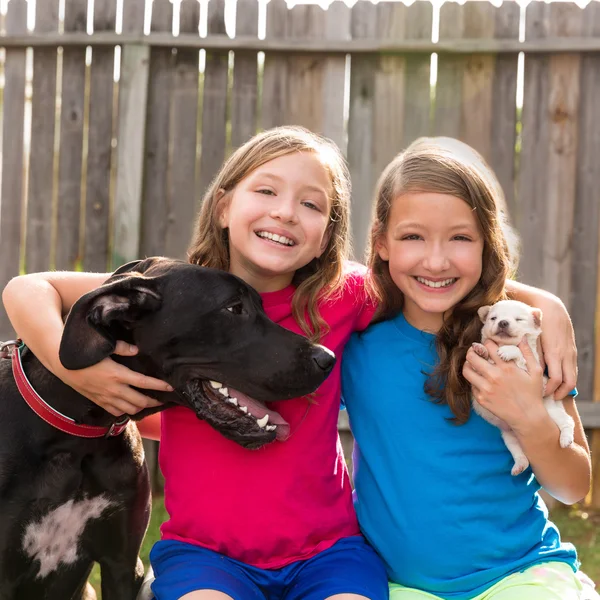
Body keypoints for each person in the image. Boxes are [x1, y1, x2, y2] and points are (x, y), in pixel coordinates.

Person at [3, 128, 578, 600]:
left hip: (329, 551)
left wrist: (546, 306)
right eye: (267, 191)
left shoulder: (344, 296)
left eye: (311, 204)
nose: (285, 213)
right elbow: (28, 288)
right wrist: (73, 364)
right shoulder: (177, 297)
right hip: (207, 556)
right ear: (225, 204)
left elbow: (433, 275)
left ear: (330, 233)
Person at [341, 137, 591, 600]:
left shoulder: (519, 344)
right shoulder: (357, 343)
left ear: (485, 244)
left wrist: (529, 417)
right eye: (413, 236)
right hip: (394, 584)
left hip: (519, 574)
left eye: (460, 237)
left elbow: (574, 486)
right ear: (380, 243)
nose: (436, 260)